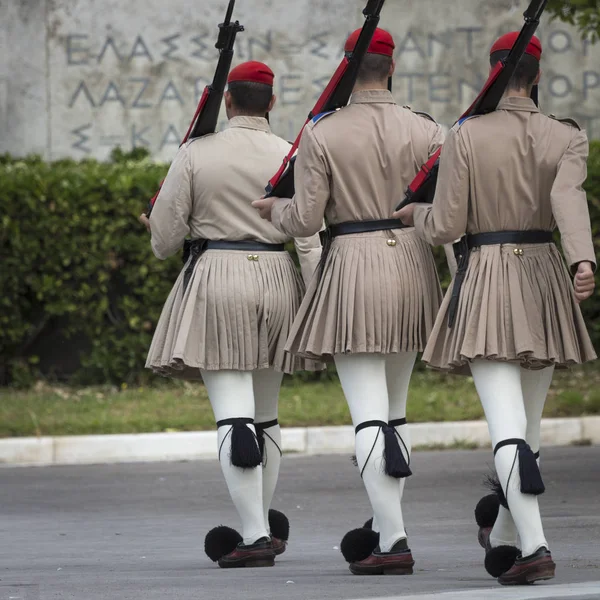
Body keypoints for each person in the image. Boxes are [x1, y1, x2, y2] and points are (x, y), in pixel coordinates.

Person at [396, 32, 597, 586]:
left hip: (488, 275)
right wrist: (584, 260)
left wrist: (415, 214)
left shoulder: (466, 135)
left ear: (490, 73)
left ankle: (535, 546)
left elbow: (447, 226)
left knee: (507, 427)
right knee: (528, 428)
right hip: (544, 274)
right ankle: (506, 532)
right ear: (537, 76)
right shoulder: (567, 135)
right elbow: (566, 199)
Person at [253, 28, 445, 575]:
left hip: (354, 263)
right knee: (397, 414)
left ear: (345, 67)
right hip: (411, 261)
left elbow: (307, 219)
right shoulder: (428, 128)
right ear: (391, 67)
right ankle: (388, 529)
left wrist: (276, 212)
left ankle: (394, 537)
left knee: (368, 418)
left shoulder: (322, 131)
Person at [144, 60, 322, 569]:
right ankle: (261, 523)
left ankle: (253, 534)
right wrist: (319, 303)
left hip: (218, 277)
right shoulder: (292, 154)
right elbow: (307, 240)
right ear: (271, 102)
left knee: (233, 416)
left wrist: (154, 226)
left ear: (227, 102)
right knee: (266, 416)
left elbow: (165, 240)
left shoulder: (196, 152)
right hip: (276, 276)